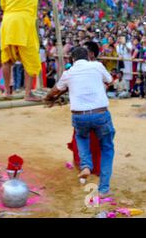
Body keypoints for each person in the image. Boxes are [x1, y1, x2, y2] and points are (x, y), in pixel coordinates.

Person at [44, 47, 115, 198]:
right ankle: (103, 189)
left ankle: (86, 165)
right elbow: (110, 81)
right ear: (88, 57)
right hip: (100, 113)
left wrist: (48, 98)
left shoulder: (68, 73)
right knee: (107, 149)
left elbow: (54, 91)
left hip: (79, 115)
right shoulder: (97, 65)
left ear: (72, 60)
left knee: (82, 138)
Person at [0, 0, 59, 100]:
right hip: (24, 23)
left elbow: (3, 4)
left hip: (8, 22)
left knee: (6, 59)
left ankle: (7, 91)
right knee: (30, 59)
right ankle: (27, 93)